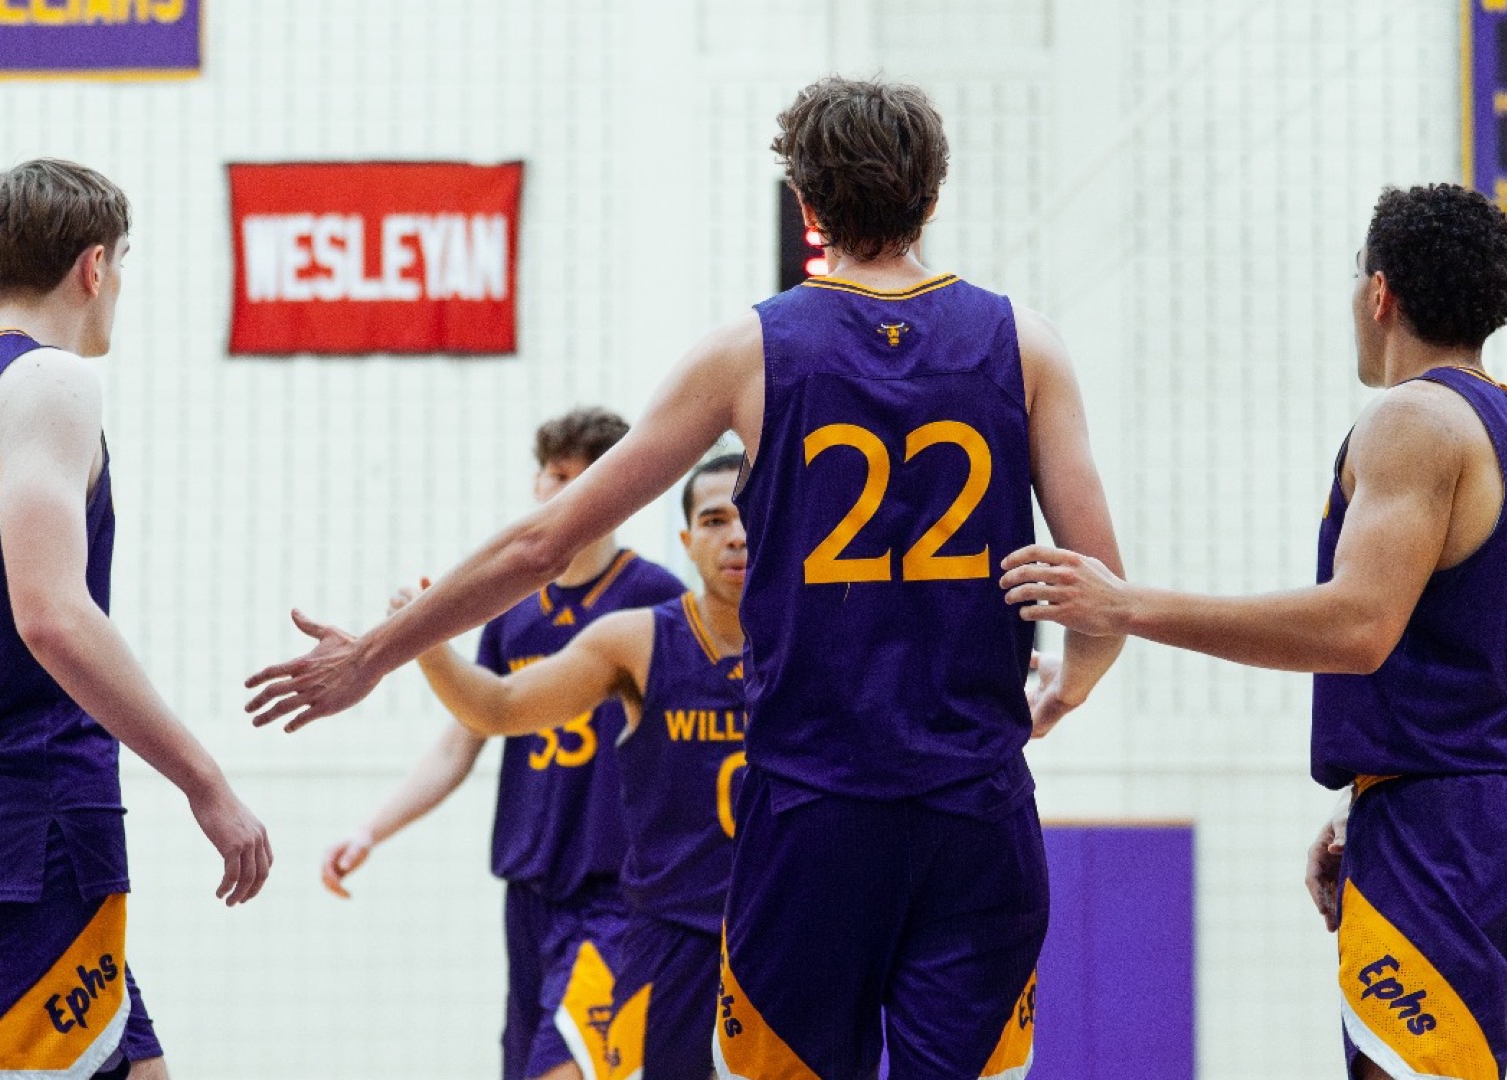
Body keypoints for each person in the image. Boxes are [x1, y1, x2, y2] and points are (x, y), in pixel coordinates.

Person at [246, 76, 1125, 1078]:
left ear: (806, 205)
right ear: (934, 194)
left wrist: (373, 653)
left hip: (812, 815)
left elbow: (541, 544)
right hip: (974, 810)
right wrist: (1071, 685)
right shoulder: (1026, 345)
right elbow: (1100, 592)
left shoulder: (751, 350)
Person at [997, 183, 1507, 1080]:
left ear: (1380, 292)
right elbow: (1477, 656)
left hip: (1450, 829)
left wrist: (1127, 606)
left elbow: (1358, 626)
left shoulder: (1415, 418)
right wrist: (1371, 799)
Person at [0, 159, 271, 1080]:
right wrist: (206, 782)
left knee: (137, 1069)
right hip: (32, 816)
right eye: (123, 264)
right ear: (94, 265)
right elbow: (53, 616)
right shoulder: (48, 383)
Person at [320, 407, 686, 1080]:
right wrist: (370, 830)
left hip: (619, 892)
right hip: (530, 891)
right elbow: (461, 742)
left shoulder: (657, 600)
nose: (557, 491)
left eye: (577, 477)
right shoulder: (511, 610)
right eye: (551, 474)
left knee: (566, 1067)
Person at [406, 451, 749, 1080]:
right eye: (714, 519)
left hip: (781, 922)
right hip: (665, 929)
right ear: (687, 540)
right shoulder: (639, 638)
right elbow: (498, 706)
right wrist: (423, 642)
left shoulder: (825, 643)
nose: (738, 536)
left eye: (753, 515)